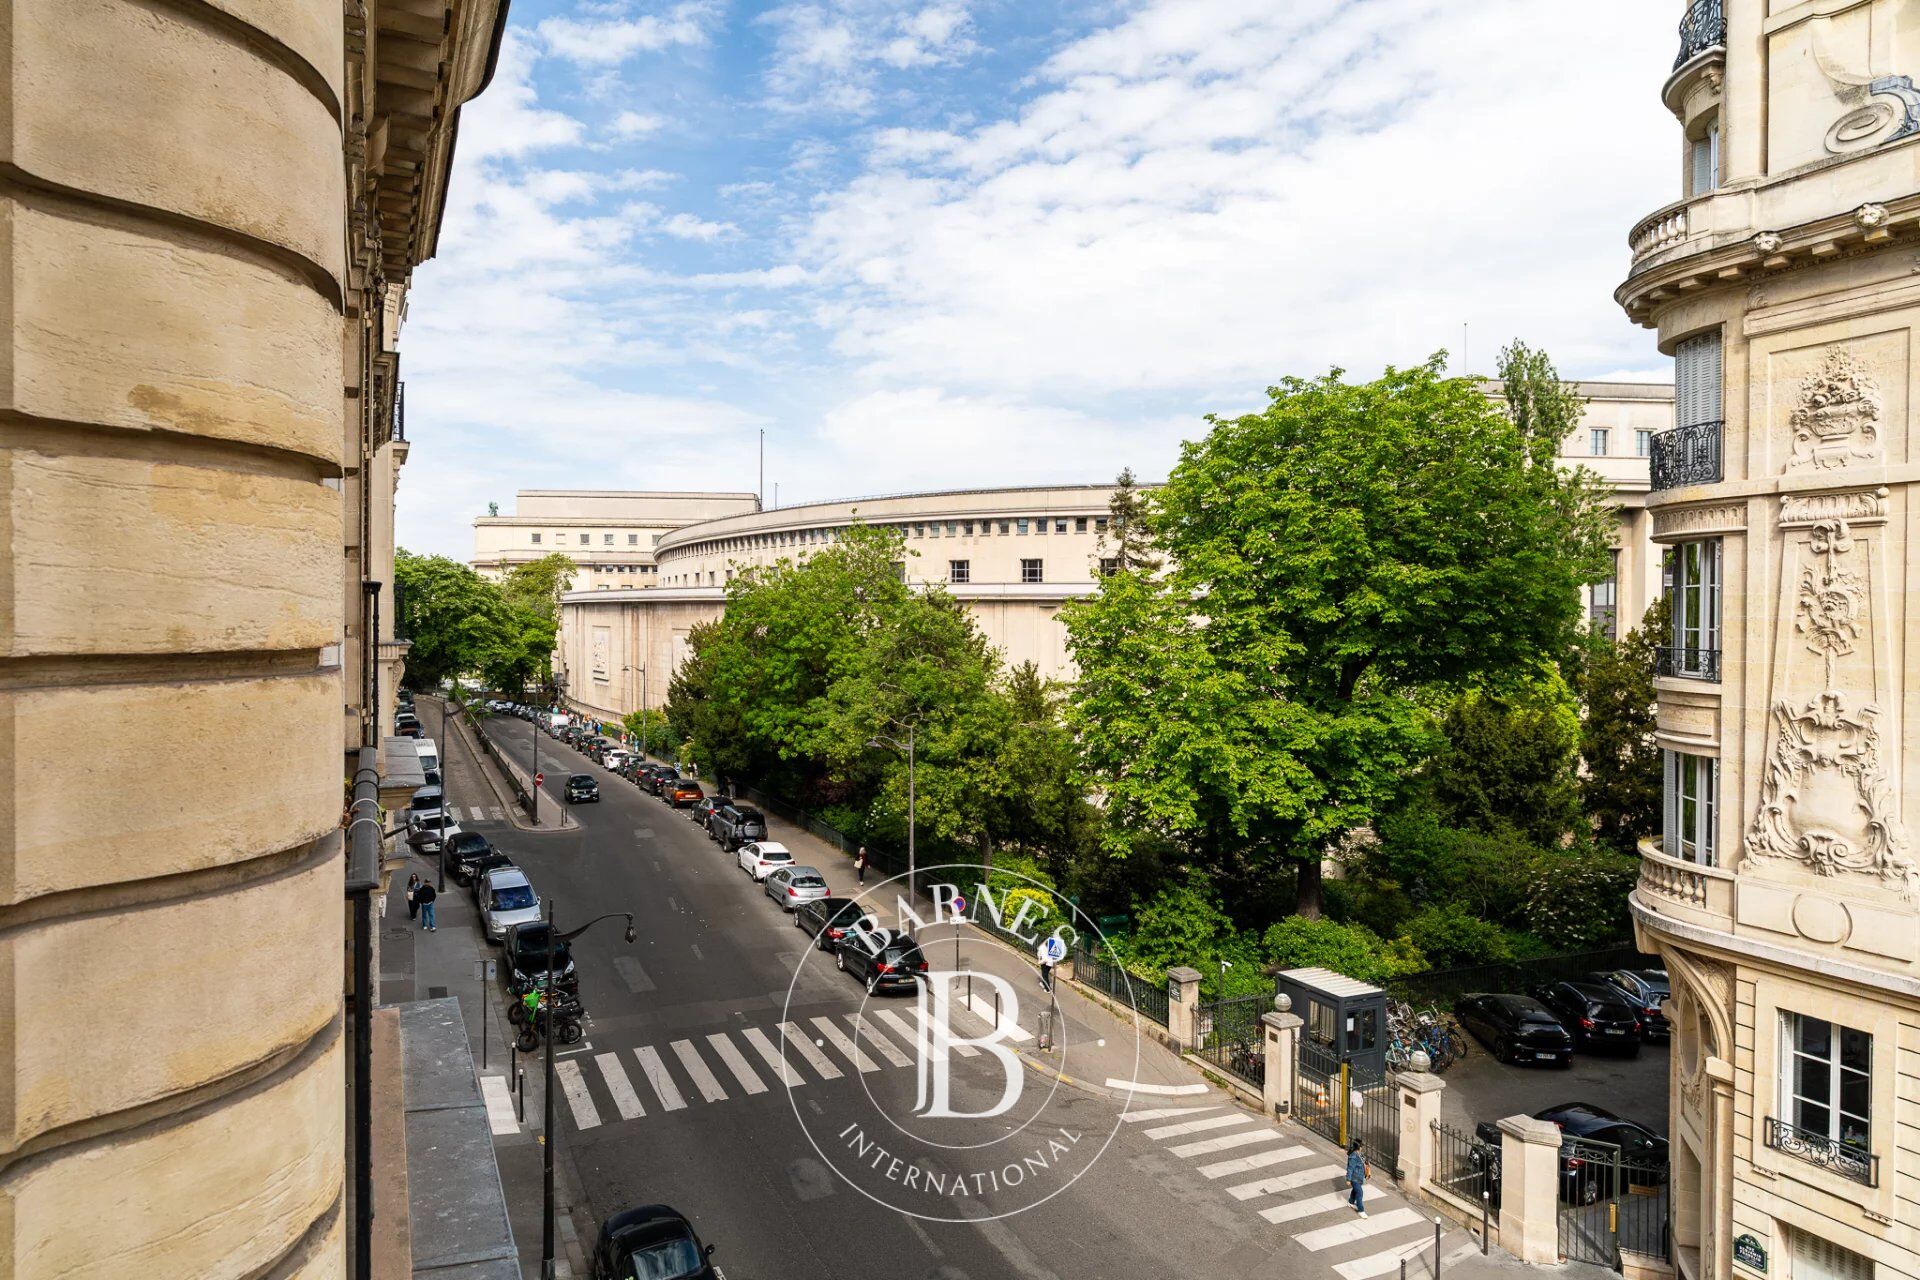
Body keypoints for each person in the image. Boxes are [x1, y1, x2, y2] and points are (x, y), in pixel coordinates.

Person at [1346, 1141, 1368, 1218]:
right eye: (1361, 1146)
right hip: (1354, 1178)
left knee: (1355, 1190)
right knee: (1360, 1193)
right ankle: (1361, 1210)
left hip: (1360, 1177)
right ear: (1358, 1147)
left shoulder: (1360, 1154)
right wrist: (1348, 1179)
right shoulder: (1353, 1157)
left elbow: (1364, 1163)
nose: (1362, 1147)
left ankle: (1351, 1202)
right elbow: (1350, 1169)